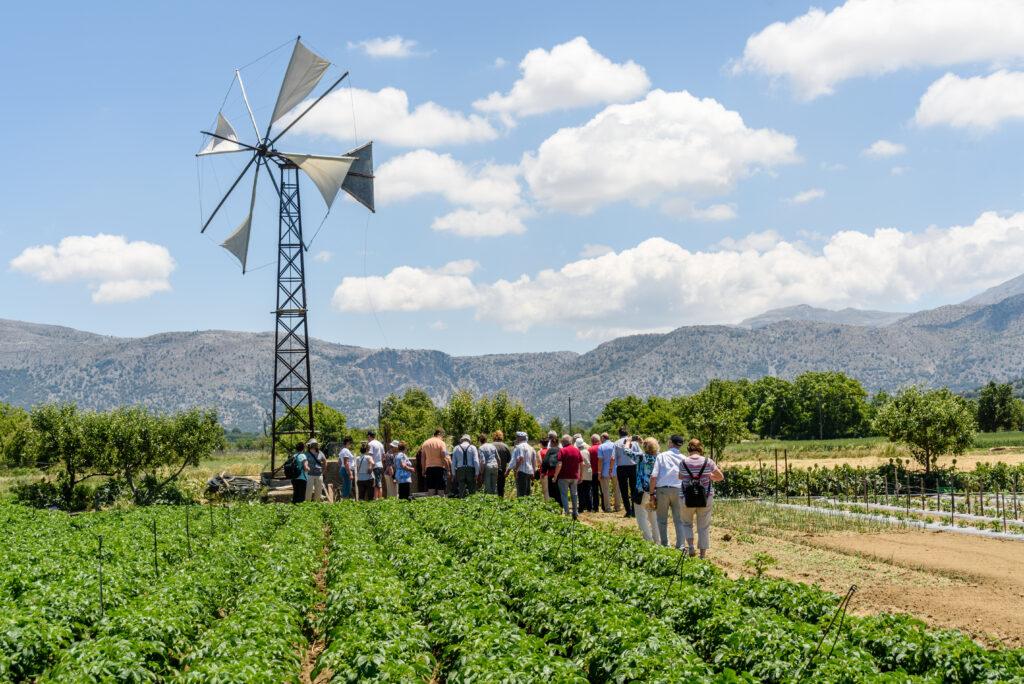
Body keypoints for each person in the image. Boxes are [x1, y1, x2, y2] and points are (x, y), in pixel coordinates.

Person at [679, 438, 724, 558]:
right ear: (700, 449)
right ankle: (703, 555)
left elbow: (680, 477)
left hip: (687, 497)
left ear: (689, 449)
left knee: (686, 523)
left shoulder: (683, 462)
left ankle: (691, 547)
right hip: (705, 497)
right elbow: (720, 477)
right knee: (703, 526)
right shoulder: (708, 461)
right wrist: (709, 476)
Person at [649, 435, 687, 549]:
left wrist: (652, 494)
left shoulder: (661, 456)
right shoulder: (684, 458)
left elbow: (653, 476)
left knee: (661, 520)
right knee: (679, 520)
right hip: (679, 490)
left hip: (663, 490)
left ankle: (665, 544)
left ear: (670, 442)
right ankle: (680, 545)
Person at [634, 438, 662, 544]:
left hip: (641, 490)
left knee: (641, 516)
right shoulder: (659, 457)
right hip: (655, 490)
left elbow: (626, 451)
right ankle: (658, 541)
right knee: (654, 517)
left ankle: (648, 540)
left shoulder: (641, 457)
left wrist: (628, 441)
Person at [553, 435, 583, 519]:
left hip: (563, 476)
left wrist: (555, 476)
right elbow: (581, 464)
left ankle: (566, 512)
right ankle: (575, 512)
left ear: (563, 443)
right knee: (574, 494)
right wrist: (581, 475)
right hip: (574, 476)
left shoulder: (562, 451)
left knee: (564, 494)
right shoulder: (576, 450)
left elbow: (559, 464)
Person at [614, 428, 637, 518]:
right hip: (633, 467)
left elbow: (614, 457)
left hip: (621, 467)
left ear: (619, 434)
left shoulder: (616, 443)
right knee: (634, 488)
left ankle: (628, 510)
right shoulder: (634, 442)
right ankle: (634, 509)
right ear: (628, 433)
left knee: (624, 489)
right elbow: (639, 453)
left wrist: (612, 468)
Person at [419, 429, 449, 496]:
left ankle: (430, 504)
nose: (442, 437)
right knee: (441, 490)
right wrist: (448, 469)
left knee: (430, 489)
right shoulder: (441, 443)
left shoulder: (425, 443)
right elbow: (443, 456)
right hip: (440, 468)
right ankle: (442, 505)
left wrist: (423, 470)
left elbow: (423, 458)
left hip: (429, 468)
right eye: (442, 435)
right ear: (439, 434)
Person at [507, 432, 535, 497]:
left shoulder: (519, 447)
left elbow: (519, 458)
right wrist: (533, 472)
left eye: (517, 437)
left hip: (521, 472)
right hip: (529, 472)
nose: (516, 439)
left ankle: (521, 506)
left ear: (520, 438)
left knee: (521, 493)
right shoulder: (531, 447)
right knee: (527, 492)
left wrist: (513, 471)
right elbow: (533, 461)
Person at [597, 433, 619, 512]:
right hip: (615, 470)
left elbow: (600, 460)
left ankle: (608, 508)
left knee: (606, 490)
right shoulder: (615, 445)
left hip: (605, 470)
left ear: (603, 438)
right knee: (617, 489)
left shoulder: (601, 447)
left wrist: (599, 473)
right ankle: (617, 507)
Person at [540, 431, 562, 506]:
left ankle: (553, 506)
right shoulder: (561, 450)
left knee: (552, 491)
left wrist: (543, 472)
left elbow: (545, 462)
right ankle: (560, 505)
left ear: (552, 443)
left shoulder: (550, 450)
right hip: (560, 474)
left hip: (551, 473)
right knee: (559, 490)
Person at [575, 437, 594, 512]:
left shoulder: (580, 452)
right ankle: (589, 507)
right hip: (588, 473)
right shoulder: (586, 451)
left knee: (581, 492)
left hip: (582, 474)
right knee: (587, 491)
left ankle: (581, 508)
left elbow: (584, 463)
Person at [492, 431, 512, 498]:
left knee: (492, 486)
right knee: (501, 487)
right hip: (502, 469)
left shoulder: (491, 445)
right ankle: (501, 500)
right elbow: (509, 460)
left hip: (492, 468)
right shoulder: (505, 446)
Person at [367, 431, 385, 499]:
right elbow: (383, 456)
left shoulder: (370, 444)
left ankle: (378, 498)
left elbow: (370, 456)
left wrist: (370, 467)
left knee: (377, 483)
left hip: (375, 466)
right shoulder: (380, 443)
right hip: (380, 465)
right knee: (378, 482)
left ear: (369, 436)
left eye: (367, 437)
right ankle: (376, 497)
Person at [588, 435, 602, 512]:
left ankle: (596, 507)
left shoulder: (589, 449)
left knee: (595, 490)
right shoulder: (601, 448)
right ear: (598, 440)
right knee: (603, 490)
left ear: (592, 440)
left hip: (593, 472)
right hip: (601, 472)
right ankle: (604, 506)